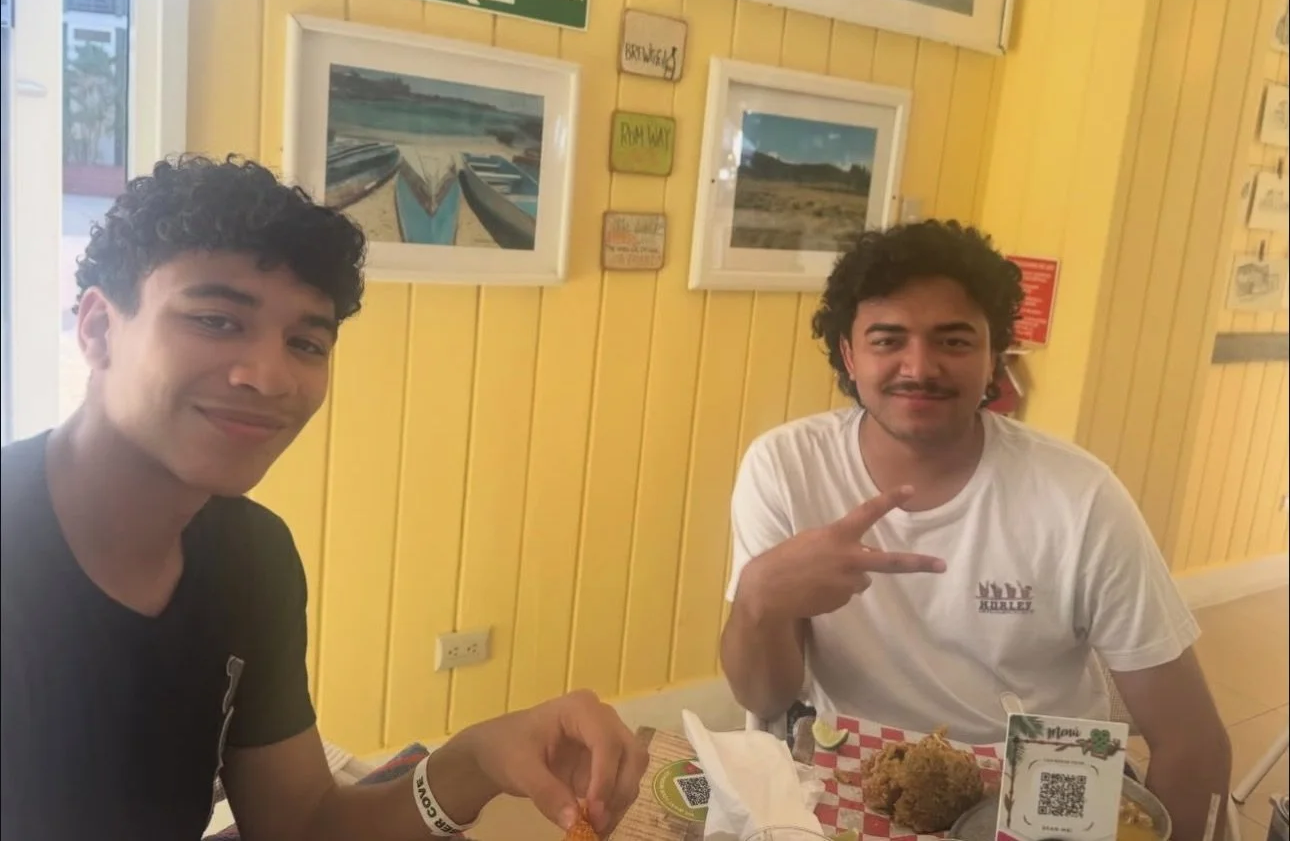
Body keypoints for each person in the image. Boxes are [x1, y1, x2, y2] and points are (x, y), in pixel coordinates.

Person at [1, 156, 648, 840]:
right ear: (99, 329)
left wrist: (478, 760)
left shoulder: (250, 556)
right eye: (216, 320)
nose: (270, 376)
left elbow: (303, 825)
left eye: (306, 343)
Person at [719, 220, 1232, 841]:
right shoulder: (786, 468)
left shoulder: (1079, 496)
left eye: (954, 341)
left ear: (995, 358)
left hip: (1042, 793)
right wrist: (760, 598)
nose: (920, 367)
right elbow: (766, 699)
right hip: (856, 780)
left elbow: (1192, 741)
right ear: (850, 356)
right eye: (888, 340)